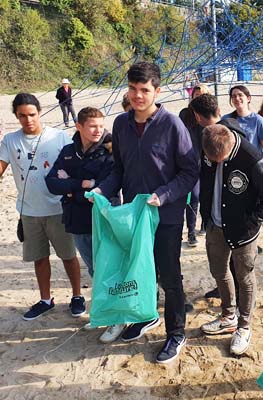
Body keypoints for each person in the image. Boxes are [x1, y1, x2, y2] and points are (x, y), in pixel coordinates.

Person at [91, 61, 198, 363]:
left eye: (145, 90)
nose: (139, 96)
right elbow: (119, 170)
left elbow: (190, 172)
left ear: (156, 91)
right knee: (138, 270)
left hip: (165, 217)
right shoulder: (122, 125)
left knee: (169, 277)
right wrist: (103, 191)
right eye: (134, 89)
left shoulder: (172, 125)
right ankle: (144, 315)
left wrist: (163, 195)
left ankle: (176, 333)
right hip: (134, 217)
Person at [0, 93, 84, 321]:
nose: (28, 120)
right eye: (22, 116)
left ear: (39, 112)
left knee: (68, 256)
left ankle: (77, 296)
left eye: (31, 114)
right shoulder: (11, 141)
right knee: (39, 258)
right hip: (29, 211)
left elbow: (76, 165)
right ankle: (45, 299)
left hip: (59, 209)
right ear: (16, 116)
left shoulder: (59, 137)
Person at [198, 124, 263, 355]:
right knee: (219, 271)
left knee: (244, 276)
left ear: (230, 147)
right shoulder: (206, 144)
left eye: (219, 160)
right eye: (209, 159)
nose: (213, 163)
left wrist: (251, 221)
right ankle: (228, 316)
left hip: (243, 232)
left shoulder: (251, 158)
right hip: (214, 225)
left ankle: (244, 326)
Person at [44, 107, 123, 343]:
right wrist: (83, 184)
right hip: (77, 223)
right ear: (79, 126)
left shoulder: (110, 152)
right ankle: (103, 313)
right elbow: (51, 184)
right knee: (95, 271)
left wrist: (71, 187)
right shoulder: (69, 151)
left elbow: (107, 188)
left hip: (103, 221)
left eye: (101, 125)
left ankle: (118, 317)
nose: (98, 130)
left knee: (110, 270)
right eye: (92, 126)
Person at [189, 93, 247, 301]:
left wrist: (253, 218)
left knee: (234, 262)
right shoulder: (223, 132)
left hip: (230, 211)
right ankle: (226, 290)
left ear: (197, 116)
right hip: (216, 209)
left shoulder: (226, 137)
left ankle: (235, 296)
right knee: (223, 263)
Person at [179, 83, 211, 247]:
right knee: (193, 197)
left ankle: (205, 225)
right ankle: (191, 232)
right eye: (195, 94)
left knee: (206, 195)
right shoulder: (185, 113)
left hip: (207, 160)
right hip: (190, 161)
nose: (197, 97)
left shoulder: (209, 114)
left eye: (201, 94)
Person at [224, 85, 263, 172]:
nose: (237, 98)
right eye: (234, 96)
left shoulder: (258, 120)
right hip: (234, 167)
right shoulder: (226, 120)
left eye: (240, 95)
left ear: (248, 98)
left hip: (254, 166)